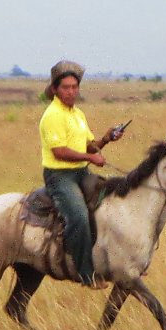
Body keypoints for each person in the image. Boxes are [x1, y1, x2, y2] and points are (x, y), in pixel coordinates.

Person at [38, 60, 124, 286]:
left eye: (74, 87)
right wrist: (91, 158)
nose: (71, 91)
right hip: (59, 177)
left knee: (111, 201)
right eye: (66, 87)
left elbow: (87, 146)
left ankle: (119, 260)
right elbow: (59, 152)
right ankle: (86, 273)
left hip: (80, 173)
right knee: (78, 216)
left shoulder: (78, 114)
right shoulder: (52, 115)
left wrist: (106, 139)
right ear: (55, 89)